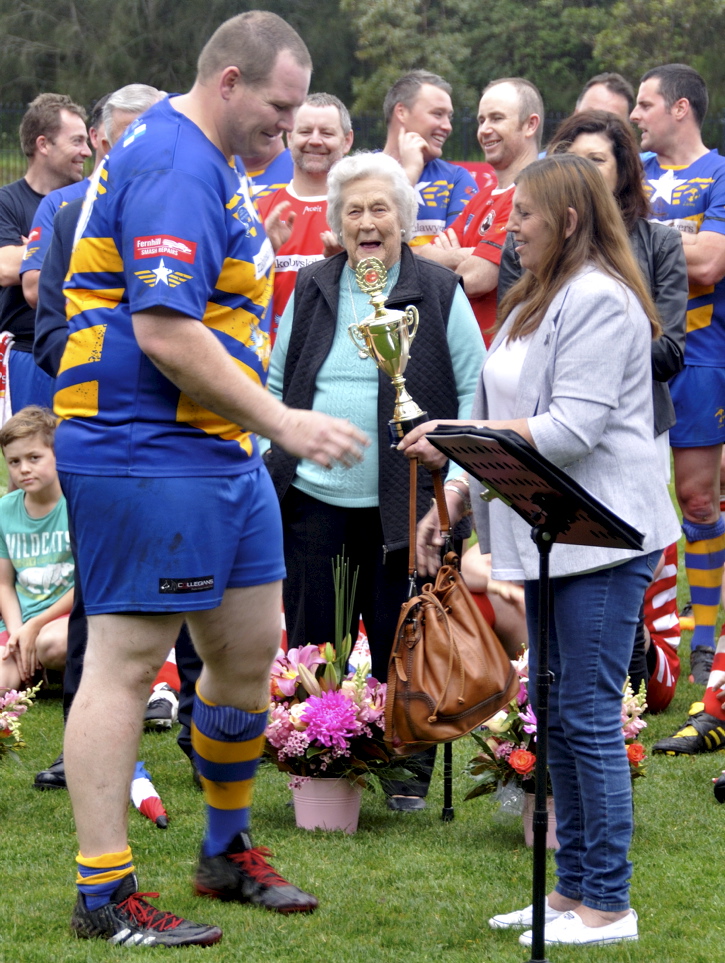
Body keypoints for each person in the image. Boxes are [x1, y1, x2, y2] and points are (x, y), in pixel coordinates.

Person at [53, 11, 367, 947]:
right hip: (145, 447)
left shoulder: (208, 163)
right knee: (127, 662)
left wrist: (252, 432)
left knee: (245, 649)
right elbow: (164, 329)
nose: (286, 126)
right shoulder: (177, 163)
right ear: (227, 82)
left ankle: (224, 850)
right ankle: (102, 889)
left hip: (214, 452)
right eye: (276, 108)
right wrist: (286, 422)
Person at [402, 153, 680, 946]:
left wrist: (458, 441)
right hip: (547, 533)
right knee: (555, 711)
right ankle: (568, 894)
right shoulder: (531, 300)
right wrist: (453, 495)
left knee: (586, 714)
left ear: (565, 220)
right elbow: (502, 410)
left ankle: (608, 903)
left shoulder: (601, 299)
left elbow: (571, 428)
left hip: (602, 538)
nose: (507, 227)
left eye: (522, 215)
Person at [264, 150, 484, 810]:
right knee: (313, 633)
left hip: (407, 503)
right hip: (314, 497)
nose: (366, 221)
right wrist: (281, 445)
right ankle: (318, 751)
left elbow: (475, 386)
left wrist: (451, 463)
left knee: (401, 635)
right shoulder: (314, 286)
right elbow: (277, 382)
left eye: (379, 208)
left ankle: (405, 767)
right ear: (335, 222)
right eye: (353, 210)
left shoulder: (437, 288)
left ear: (403, 219)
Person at [30, 84, 168, 792]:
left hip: (185, 440)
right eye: (129, 139)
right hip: (101, 436)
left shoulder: (195, 214)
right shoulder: (67, 218)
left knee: (196, 596)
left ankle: (213, 747)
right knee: (99, 595)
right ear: (104, 144)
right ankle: (78, 747)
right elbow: (49, 334)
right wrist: (123, 368)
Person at [630, 65, 725, 747]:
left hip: (699, 352)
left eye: (644, 104)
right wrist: (674, 246)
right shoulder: (628, 167)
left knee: (697, 499)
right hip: (629, 351)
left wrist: (642, 244)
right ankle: (638, 639)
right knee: (629, 491)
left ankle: (705, 638)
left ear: (680, 109)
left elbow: (710, 263)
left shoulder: (719, 172)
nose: (635, 115)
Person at [419, 77, 542, 345]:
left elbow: (475, 279)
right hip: (461, 355)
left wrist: (449, 256)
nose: (485, 130)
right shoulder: (481, 197)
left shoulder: (533, 195)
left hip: (501, 355)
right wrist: (464, 255)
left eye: (497, 118)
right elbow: (421, 258)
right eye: (481, 120)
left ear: (530, 124)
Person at [0, 94, 90, 414]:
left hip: (83, 346)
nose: (87, 151)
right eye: (77, 140)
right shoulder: (7, 202)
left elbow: (22, 263)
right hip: (28, 354)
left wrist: (34, 248)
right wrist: (66, 247)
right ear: (43, 145)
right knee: (31, 460)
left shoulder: (91, 203)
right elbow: (5, 268)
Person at [258, 93, 353, 336]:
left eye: (327, 133)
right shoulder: (259, 210)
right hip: (270, 363)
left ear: (347, 141)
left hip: (339, 359)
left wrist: (349, 264)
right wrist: (263, 252)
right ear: (289, 137)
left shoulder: (361, 213)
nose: (315, 140)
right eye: (305, 131)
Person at [0, 406, 73, 690]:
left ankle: (54, 666)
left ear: (57, 455)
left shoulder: (77, 505)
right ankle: (38, 669)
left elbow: (87, 582)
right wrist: (18, 633)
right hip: (20, 620)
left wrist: (35, 626)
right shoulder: (5, 511)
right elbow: (4, 584)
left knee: (52, 644)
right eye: (14, 461)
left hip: (64, 619)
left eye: (34, 457)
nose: (24, 469)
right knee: (3, 686)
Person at [382, 70, 477, 245]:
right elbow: (370, 244)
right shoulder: (359, 172)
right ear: (401, 112)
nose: (448, 126)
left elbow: (458, 254)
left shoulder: (457, 179)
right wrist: (410, 173)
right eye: (437, 114)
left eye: (449, 117)